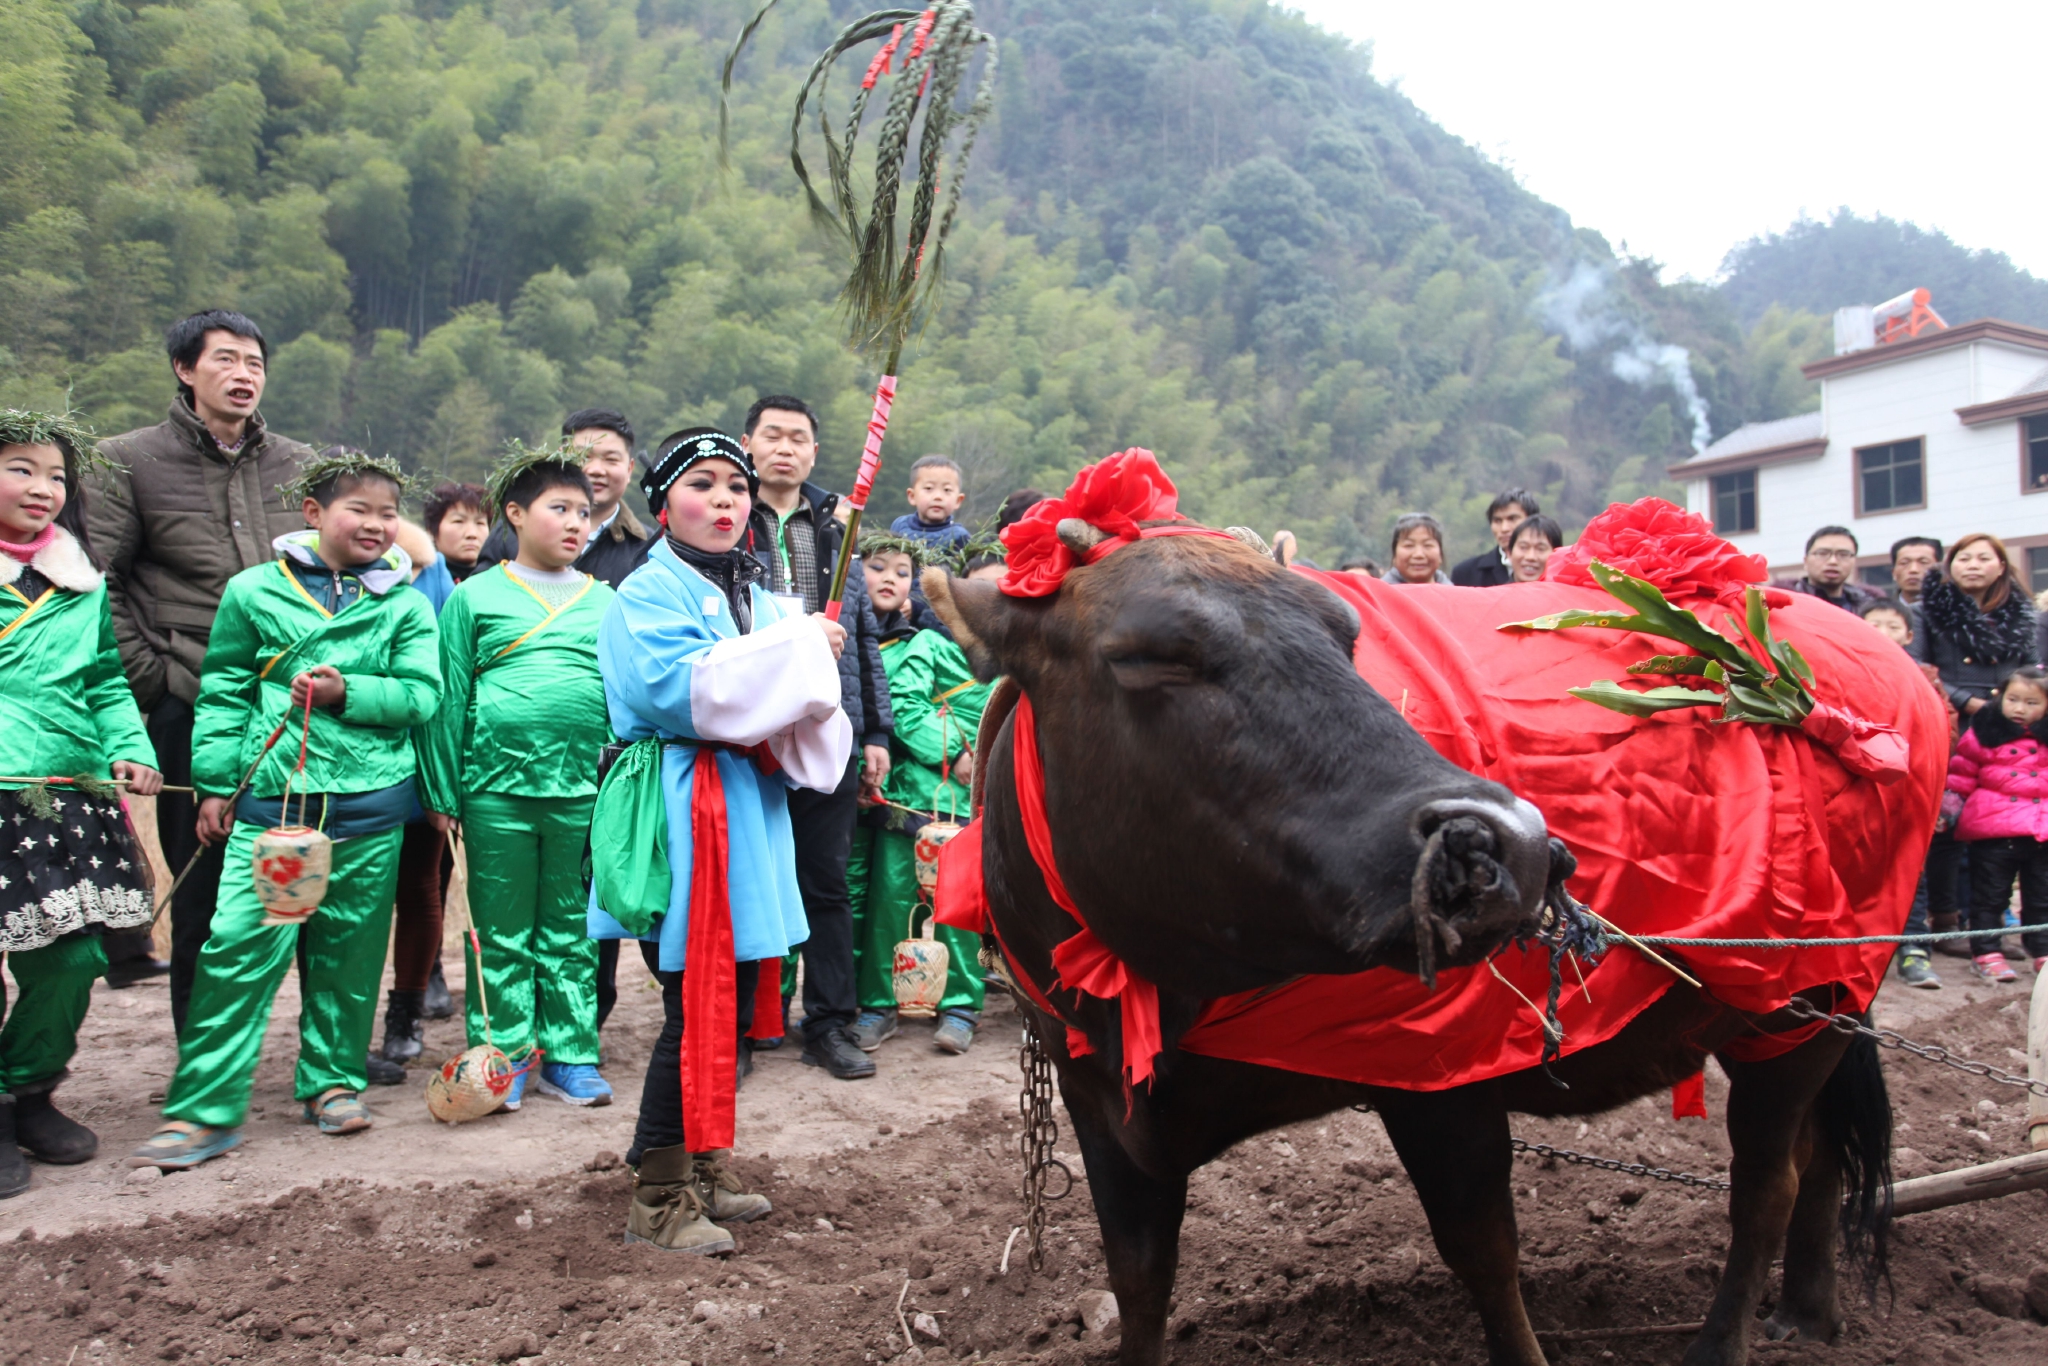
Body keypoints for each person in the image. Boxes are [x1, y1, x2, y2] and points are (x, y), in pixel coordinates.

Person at [127, 452, 440, 1169]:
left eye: (388, 512)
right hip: (278, 806)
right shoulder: (253, 592)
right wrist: (213, 783)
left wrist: (347, 693)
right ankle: (202, 1111)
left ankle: (332, 1082)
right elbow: (224, 689)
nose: (375, 524)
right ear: (312, 513)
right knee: (239, 951)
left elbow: (423, 696)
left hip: (368, 808)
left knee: (349, 957)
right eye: (357, 508)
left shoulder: (404, 602)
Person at [589, 427, 850, 1254]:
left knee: (731, 997)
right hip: (686, 801)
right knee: (691, 1002)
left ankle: (698, 1160)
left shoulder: (758, 594)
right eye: (703, 485)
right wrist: (801, 650)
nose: (727, 501)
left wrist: (804, 663)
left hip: (746, 804)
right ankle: (658, 1193)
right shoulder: (644, 594)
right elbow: (683, 692)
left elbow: (808, 717)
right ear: (663, 504)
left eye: (736, 488)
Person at [88, 309, 316, 1012]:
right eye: (225, 360)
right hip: (187, 696)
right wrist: (153, 681)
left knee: (300, 876)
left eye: (254, 362)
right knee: (204, 882)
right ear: (186, 370)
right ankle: (200, 1050)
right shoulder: (126, 459)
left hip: (294, 706)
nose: (243, 375)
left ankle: (325, 1049)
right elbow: (99, 582)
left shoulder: (301, 466)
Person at [0, 411, 165, 1197]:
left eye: (57, 476)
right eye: (21, 469)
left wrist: (129, 745)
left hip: (67, 793)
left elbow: (103, 678)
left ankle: (27, 1091)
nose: (43, 488)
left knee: (73, 958)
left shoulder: (79, 578)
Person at [420, 446, 615, 1109]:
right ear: (516, 513)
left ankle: (572, 1052)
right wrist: (443, 792)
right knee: (497, 931)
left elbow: (621, 698)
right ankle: (503, 1057)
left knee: (570, 927)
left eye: (584, 513)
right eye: (558, 508)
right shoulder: (476, 595)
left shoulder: (606, 601)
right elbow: (448, 699)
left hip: (580, 791)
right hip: (493, 790)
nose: (574, 524)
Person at [738, 395, 893, 1081]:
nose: (785, 448)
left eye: (798, 438)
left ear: (813, 452)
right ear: (748, 443)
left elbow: (863, 637)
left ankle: (830, 1023)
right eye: (772, 435)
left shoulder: (838, 528)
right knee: (745, 878)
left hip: (827, 727)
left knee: (825, 881)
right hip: (748, 728)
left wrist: (876, 732)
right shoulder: (727, 520)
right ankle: (740, 1026)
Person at [846, 535, 991, 1055]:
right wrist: (958, 756)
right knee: (892, 902)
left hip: (976, 799)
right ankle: (880, 1005)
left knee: (960, 905)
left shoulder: (1015, 659)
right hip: (916, 792)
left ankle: (960, 1006)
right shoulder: (928, 645)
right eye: (981, 591)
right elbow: (905, 709)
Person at [379, 478, 490, 1060]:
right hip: (389, 751)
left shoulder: (474, 582)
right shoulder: (404, 580)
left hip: (454, 751)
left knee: (433, 882)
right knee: (401, 883)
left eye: (480, 522)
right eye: (458, 522)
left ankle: (411, 1003)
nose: (472, 532)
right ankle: (402, 999)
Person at [1913, 533, 2038, 961]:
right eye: (1964, 557)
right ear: (1951, 565)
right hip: (1948, 723)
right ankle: (1946, 921)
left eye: (1985, 558)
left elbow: (2033, 673)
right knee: (1947, 827)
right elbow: (1916, 668)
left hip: (2008, 732)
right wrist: (1968, 701)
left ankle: (1986, 926)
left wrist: (2011, 707)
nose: (1973, 565)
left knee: (1996, 831)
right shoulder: (1926, 611)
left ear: (2001, 566)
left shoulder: (2024, 616)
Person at [1854, 596, 1943, 989]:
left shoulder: (1924, 679)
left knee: (1910, 874)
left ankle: (1913, 948)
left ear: (1909, 635)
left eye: (1892, 626)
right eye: (1873, 623)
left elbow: (1942, 733)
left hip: (1909, 792)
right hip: (1860, 795)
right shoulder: (1841, 673)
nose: (1883, 633)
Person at [1944, 665, 2048, 982]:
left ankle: (2042, 949)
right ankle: (1987, 951)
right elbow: (1960, 777)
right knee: (1989, 895)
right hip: (1995, 831)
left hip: (2041, 831)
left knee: (2042, 896)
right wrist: (1946, 812)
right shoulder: (1984, 733)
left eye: (2032, 703)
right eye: (2013, 699)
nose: (2020, 709)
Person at [476, 409, 655, 586]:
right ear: (561, 457)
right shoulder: (516, 529)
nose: (596, 470)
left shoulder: (647, 547)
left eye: (611, 459)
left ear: (629, 468)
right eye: (584, 456)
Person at [1778, 527, 1881, 612]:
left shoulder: (1871, 607)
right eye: (1823, 553)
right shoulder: (1780, 605)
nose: (1833, 561)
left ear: (1854, 561)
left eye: (1843, 554)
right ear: (1806, 561)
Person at [1450, 489, 1540, 586]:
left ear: (1532, 521)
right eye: (1497, 521)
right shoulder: (1466, 573)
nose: (1504, 528)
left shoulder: (1550, 567)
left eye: (1512, 519)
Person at [889, 455, 972, 552]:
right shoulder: (900, 526)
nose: (938, 496)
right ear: (912, 496)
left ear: (958, 501)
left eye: (947, 490)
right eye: (929, 488)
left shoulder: (960, 537)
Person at [1381, 513, 1450, 585]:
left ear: (1440, 555)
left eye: (1427, 545)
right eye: (1409, 545)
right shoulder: (1376, 594)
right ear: (1394, 555)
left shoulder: (1454, 594)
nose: (1418, 554)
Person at [1505, 514, 1565, 583]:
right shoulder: (1494, 593)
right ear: (1509, 553)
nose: (1530, 557)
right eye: (1523, 547)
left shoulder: (1569, 593)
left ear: (1557, 556)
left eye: (1541, 549)